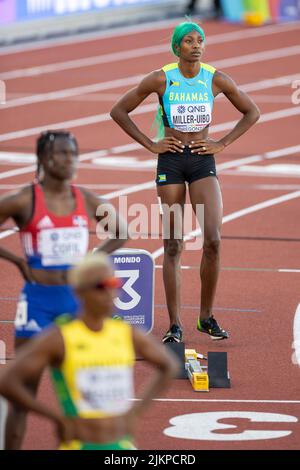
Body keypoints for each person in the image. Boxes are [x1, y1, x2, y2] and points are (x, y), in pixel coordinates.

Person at [110, 21, 260, 343]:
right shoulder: (161, 79)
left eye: (200, 40)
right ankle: (175, 324)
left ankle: (205, 317)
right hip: (172, 162)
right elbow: (119, 110)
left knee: (213, 240)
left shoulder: (215, 78)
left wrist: (223, 143)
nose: (196, 45)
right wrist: (151, 144)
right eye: (189, 41)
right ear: (177, 47)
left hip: (203, 161)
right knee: (174, 243)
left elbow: (252, 112)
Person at [0, 130, 128, 449]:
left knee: (83, 390)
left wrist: (92, 260)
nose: (69, 160)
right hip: (38, 303)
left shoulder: (84, 199)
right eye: (61, 153)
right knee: (22, 397)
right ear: (44, 158)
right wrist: (17, 260)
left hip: (74, 304)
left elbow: (121, 231)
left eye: (73, 153)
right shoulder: (23, 199)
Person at [0, 252, 179, 450]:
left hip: (120, 446)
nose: (111, 293)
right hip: (79, 444)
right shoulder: (59, 338)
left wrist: (135, 412)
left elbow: (169, 365)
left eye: (114, 284)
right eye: (101, 287)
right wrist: (57, 419)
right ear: (79, 292)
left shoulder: (126, 333)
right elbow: (7, 381)